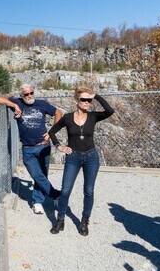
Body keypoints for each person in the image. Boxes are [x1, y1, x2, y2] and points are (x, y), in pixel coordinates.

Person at [48, 86, 114, 236]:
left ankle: (85, 221)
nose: (87, 102)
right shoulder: (67, 117)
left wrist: (96, 95)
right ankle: (60, 220)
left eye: (89, 100)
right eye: (83, 99)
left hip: (91, 157)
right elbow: (52, 132)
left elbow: (110, 111)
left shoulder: (93, 116)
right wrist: (59, 146)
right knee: (65, 191)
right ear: (76, 100)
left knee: (89, 191)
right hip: (73, 157)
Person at [0, 84, 62, 214]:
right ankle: (56, 194)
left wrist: (52, 132)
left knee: (42, 175)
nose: (29, 96)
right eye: (26, 94)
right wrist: (14, 106)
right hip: (28, 149)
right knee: (36, 174)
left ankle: (37, 202)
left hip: (44, 146)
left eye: (31, 93)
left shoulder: (42, 104)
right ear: (22, 95)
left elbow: (58, 112)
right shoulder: (18, 102)